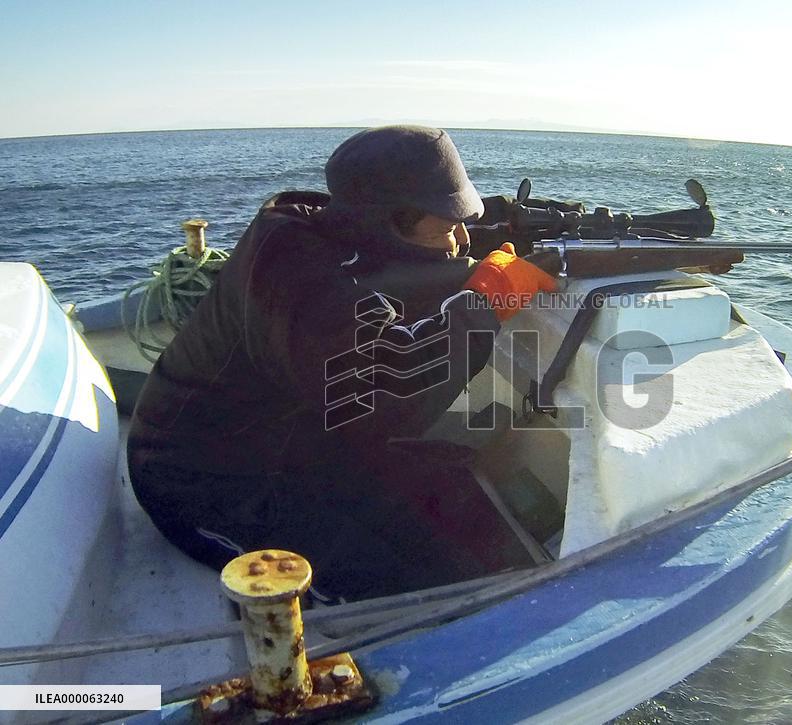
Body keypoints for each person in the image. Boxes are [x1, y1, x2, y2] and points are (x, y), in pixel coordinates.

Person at [127, 126, 558, 602]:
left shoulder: (339, 228)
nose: (461, 241)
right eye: (447, 227)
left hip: (298, 443)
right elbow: (382, 387)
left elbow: (411, 257)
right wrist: (485, 301)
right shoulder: (295, 279)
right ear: (390, 221)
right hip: (209, 481)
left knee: (458, 521)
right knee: (406, 598)